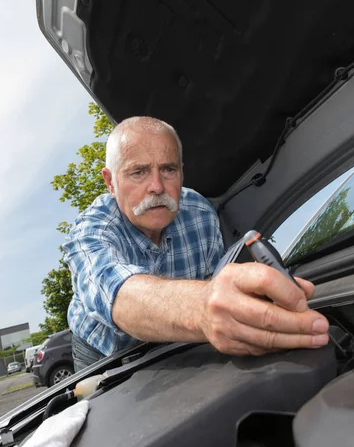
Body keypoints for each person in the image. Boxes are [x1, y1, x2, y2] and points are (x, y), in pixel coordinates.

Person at [63, 117, 329, 371]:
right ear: (110, 182)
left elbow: (215, 279)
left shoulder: (200, 212)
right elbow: (117, 293)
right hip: (103, 351)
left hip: (177, 341)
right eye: (139, 172)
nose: (157, 186)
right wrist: (203, 308)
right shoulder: (90, 231)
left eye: (168, 169)